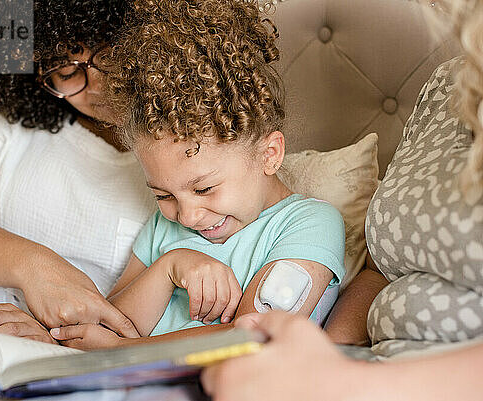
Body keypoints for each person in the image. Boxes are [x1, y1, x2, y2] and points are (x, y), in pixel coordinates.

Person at [201, 0, 483, 399]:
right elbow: (380, 270)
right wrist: (325, 359)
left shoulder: (308, 223)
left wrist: (345, 384)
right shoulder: (445, 85)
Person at [48, 0, 345, 350]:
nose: (186, 216)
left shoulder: (310, 223)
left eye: (204, 189)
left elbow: (255, 337)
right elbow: (110, 322)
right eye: (164, 196)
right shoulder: (165, 227)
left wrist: (122, 350)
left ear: (270, 155)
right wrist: (170, 267)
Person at [0, 0, 156, 343]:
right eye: (66, 70)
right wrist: (35, 267)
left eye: (109, 56)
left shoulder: (188, 155)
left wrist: (57, 337)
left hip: (54, 348)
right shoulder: (7, 119)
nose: (96, 85)